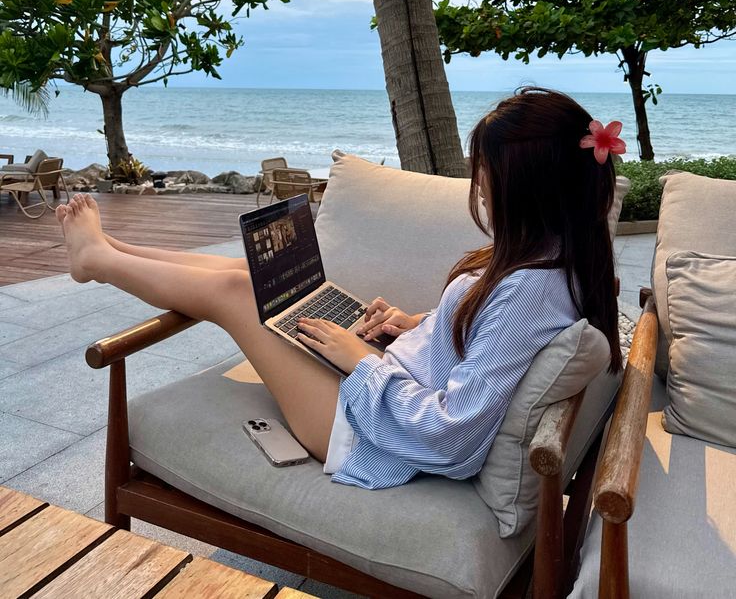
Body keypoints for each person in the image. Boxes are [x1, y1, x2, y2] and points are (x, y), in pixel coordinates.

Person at [55, 87, 623, 490]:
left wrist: (359, 362)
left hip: (365, 432)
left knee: (237, 298)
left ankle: (99, 261)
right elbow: (488, 342)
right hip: (389, 377)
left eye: (486, 178)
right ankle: (114, 252)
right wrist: (416, 324)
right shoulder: (557, 257)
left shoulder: (531, 289)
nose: (479, 189)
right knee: (247, 278)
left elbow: (453, 437)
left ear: (528, 192)